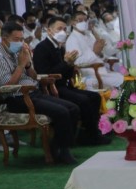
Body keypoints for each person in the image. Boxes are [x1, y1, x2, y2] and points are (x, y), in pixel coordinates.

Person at [0, 22, 80, 164]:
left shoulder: (18, 52)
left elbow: (34, 77)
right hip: (17, 99)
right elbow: (6, 87)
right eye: (16, 39)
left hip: (33, 93)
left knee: (73, 108)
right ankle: (62, 151)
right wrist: (21, 65)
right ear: (4, 39)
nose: (20, 43)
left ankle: (57, 146)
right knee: (62, 112)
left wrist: (28, 64)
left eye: (22, 39)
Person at [33, 16, 110, 145]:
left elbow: (66, 73)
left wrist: (71, 64)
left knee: (95, 97)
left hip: (64, 85)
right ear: (49, 30)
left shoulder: (60, 47)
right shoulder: (42, 48)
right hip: (51, 89)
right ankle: (86, 135)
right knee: (83, 100)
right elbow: (45, 74)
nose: (63, 32)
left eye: (64, 29)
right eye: (59, 29)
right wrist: (66, 63)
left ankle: (91, 132)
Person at [65, 10, 124, 89]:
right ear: (73, 23)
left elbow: (99, 54)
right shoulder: (72, 39)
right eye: (80, 20)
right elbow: (77, 62)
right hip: (89, 73)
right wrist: (95, 52)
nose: (83, 22)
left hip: (102, 70)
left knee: (127, 77)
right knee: (122, 81)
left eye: (85, 20)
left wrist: (100, 54)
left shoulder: (89, 35)